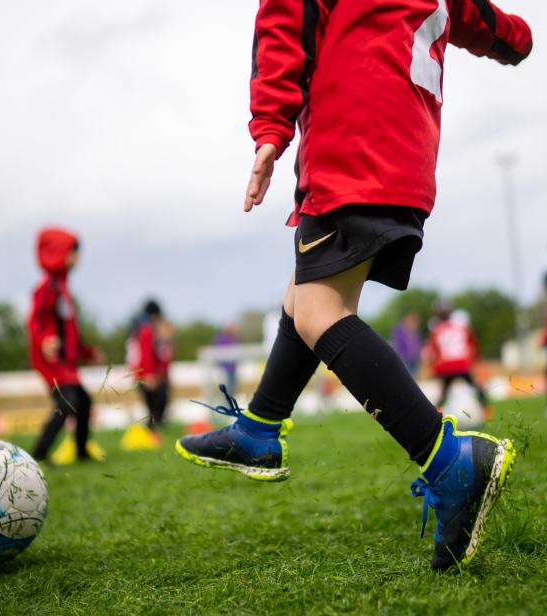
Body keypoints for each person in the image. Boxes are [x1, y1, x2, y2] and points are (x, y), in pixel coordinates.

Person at [176, 1, 532, 572]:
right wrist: (516, 42)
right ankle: (260, 429)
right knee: (303, 297)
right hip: (407, 157)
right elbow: (489, 25)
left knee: (320, 310)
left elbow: (284, 23)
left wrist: (270, 128)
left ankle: (449, 461)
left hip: (353, 146)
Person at [28, 227, 103, 462]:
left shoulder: (62, 288)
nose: (78, 258)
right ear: (60, 253)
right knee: (67, 402)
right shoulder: (47, 287)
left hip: (67, 365)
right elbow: (34, 321)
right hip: (52, 362)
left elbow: (69, 330)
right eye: (74, 252)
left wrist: (86, 352)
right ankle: (39, 454)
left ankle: (81, 452)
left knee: (84, 402)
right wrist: (44, 341)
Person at [425, 302, 490, 412]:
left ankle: (437, 412)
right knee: (474, 386)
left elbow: (432, 352)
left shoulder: (436, 330)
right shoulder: (461, 327)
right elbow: (473, 344)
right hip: (462, 364)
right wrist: (475, 360)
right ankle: (486, 408)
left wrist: (433, 369)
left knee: (444, 392)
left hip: (445, 365)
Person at [127, 300, 174, 432]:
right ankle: (150, 432)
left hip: (145, 374)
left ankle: (152, 431)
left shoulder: (145, 330)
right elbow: (145, 354)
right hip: (145, 374)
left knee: (157, 406)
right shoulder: (147, 331)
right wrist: (148, 374)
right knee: (155, 407)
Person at [212, 324, 239, 396]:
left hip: (232, 369)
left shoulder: (234, 338)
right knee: (225, 390)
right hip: (224, 369)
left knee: (233, 389)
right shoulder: (221, 338)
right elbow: (217, 352)